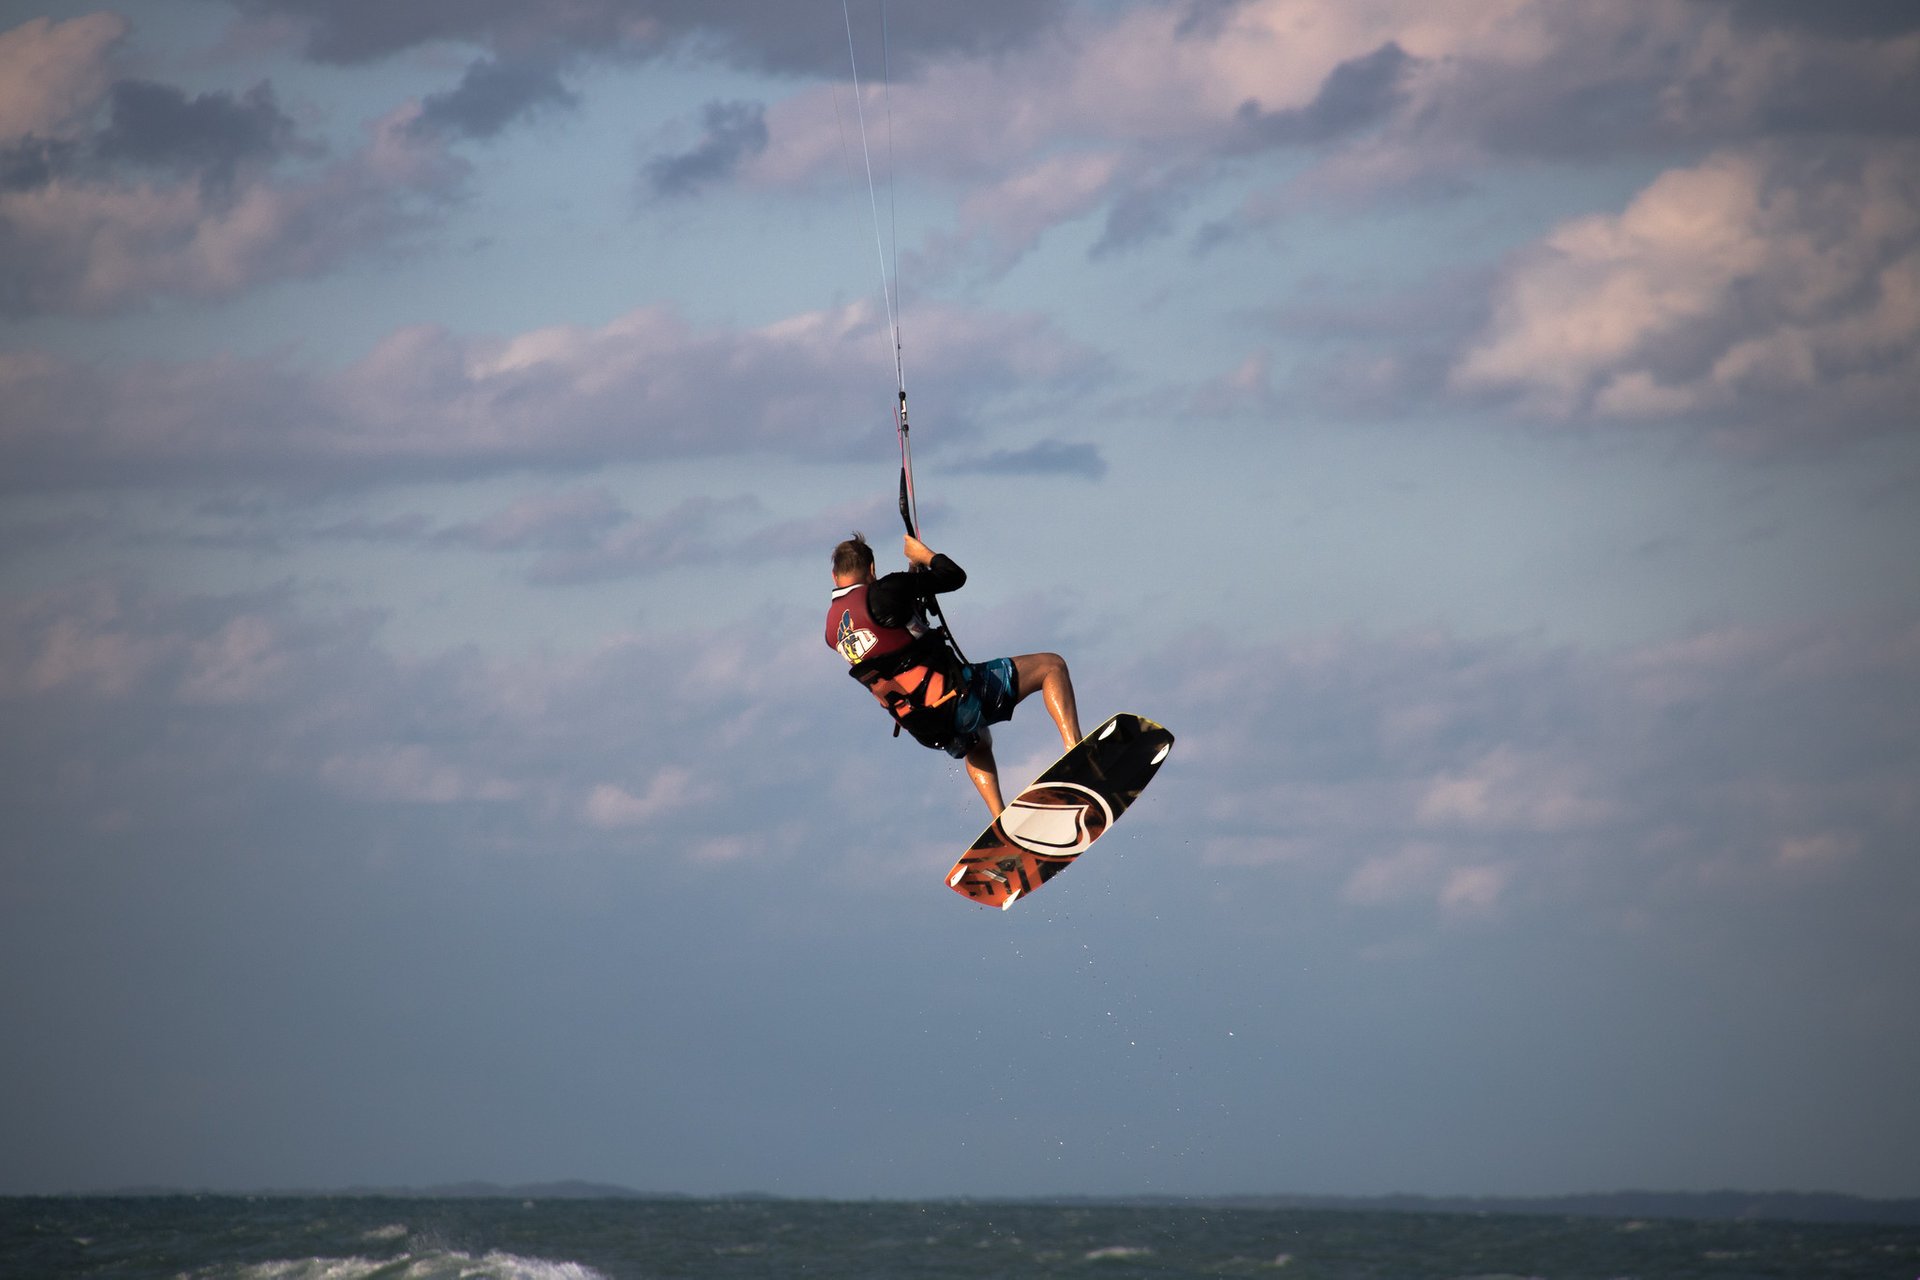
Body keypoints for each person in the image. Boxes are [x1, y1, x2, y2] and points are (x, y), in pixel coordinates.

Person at [827, 531, 1081, 817]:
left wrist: (912, 587)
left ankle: (999, 817)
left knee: (978, 740)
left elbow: (895, 640)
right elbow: (953, 576)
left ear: (835, 577)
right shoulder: (886, 590)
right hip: (955, 700)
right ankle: (1077, 754)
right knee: (1052, 667)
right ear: (872, 570)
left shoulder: (832, 632)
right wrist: (925, 556)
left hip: (922, 725)